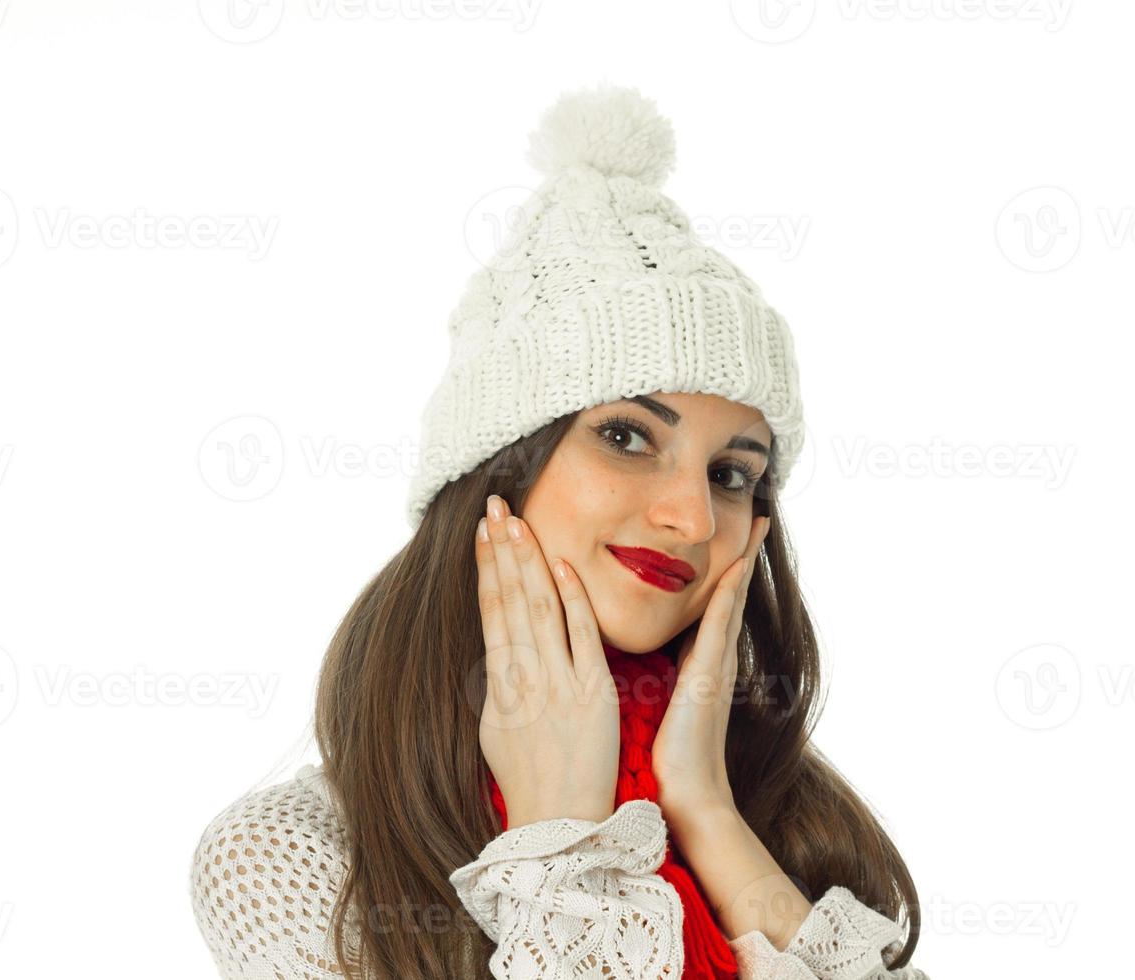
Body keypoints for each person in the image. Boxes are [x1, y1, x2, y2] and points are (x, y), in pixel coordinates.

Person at [189, 83, 929, 980]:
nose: (692, 518)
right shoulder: (296, 860)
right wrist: (564, 847)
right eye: (626, 437)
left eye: (731, 474)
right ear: (498, 468)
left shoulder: (784, 816)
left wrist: (705, 812)